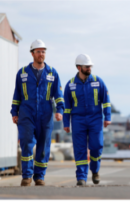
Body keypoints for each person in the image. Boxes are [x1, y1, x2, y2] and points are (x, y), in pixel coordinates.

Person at [11, 39, 64, 186]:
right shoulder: (22, 73)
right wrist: (14, 112)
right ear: (32, 53)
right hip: (26, 113)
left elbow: (58, 95)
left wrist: (59, 110)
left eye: (43, 51)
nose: (41, 54)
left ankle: (39, 177)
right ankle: (27, 176)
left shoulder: (53, 73)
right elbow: (17, 95)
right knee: (27, 143)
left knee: (43, 146)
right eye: (38, 51)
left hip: (46, 114)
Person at [63, 54, 111, 186]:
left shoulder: (98, 82)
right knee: (80, 149)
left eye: (90, 66)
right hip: (78, 120)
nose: (89, 68)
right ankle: (81, 177)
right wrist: (66, 123)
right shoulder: (70, 85)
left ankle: (95, 170)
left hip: (95, 119)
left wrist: (107, 117)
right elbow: (67, 107)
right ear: (79, 67)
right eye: (86, 66)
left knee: (97, 146)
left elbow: (106, 102)